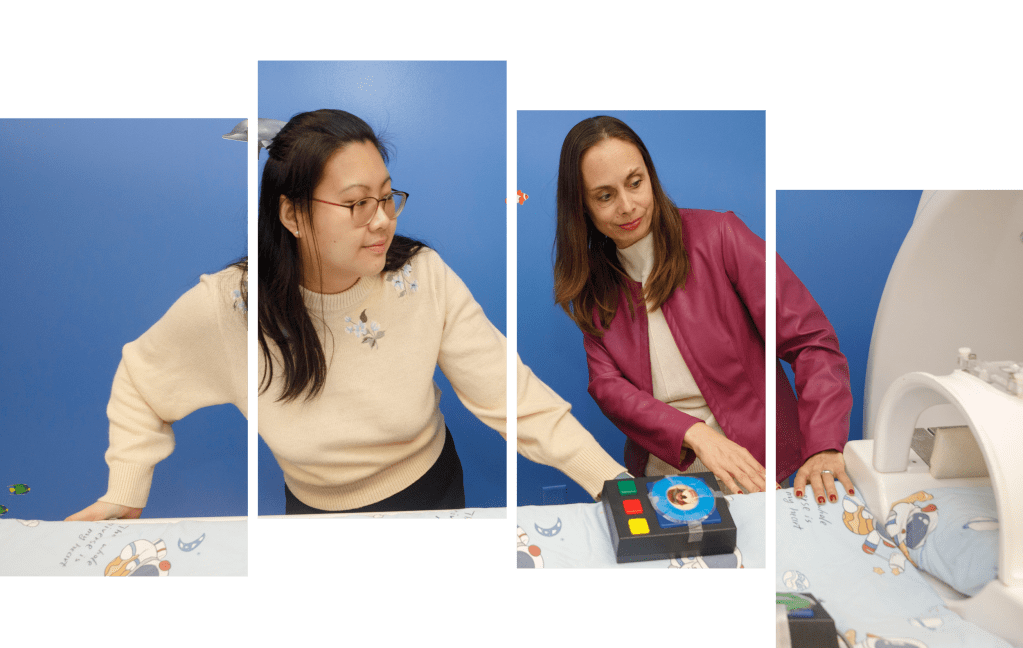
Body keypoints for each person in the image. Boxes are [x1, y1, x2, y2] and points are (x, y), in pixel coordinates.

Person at [254, 109, 624, 514]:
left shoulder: (420, 275)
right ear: (292, 215)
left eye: (385, 197)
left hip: (432, 497)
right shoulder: (235, 304)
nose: (383, 221)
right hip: (314, 516)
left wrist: (612, 481)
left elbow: (509, 391)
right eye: (358, 203)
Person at [552, 115, 854, 503]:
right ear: (583, 208)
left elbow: (812, 342)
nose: (628, 206)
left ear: (651, 177)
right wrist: (696, 433)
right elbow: (609, 389)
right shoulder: (593, 287)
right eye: (605, 196)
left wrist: (825, 443)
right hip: (665, 480)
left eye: (635, 182)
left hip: (758, 473)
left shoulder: (721, 237)